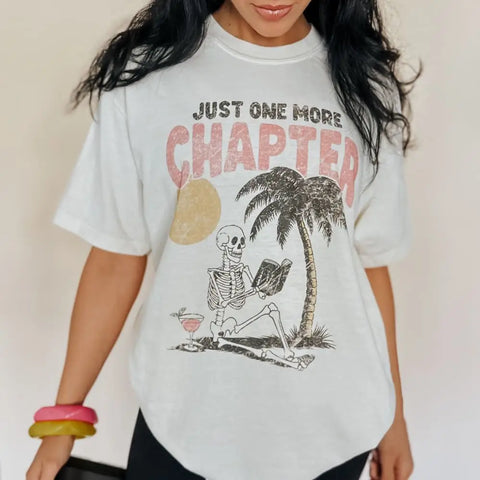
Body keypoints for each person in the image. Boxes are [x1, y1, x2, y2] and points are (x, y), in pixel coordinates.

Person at [26, 1, 420, 479]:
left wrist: (394, 419)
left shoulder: (366, 85)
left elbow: (369, 265)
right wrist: (63, 418)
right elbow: (115, 258)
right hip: (180, 428)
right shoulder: (146, 76)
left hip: (336, 431)